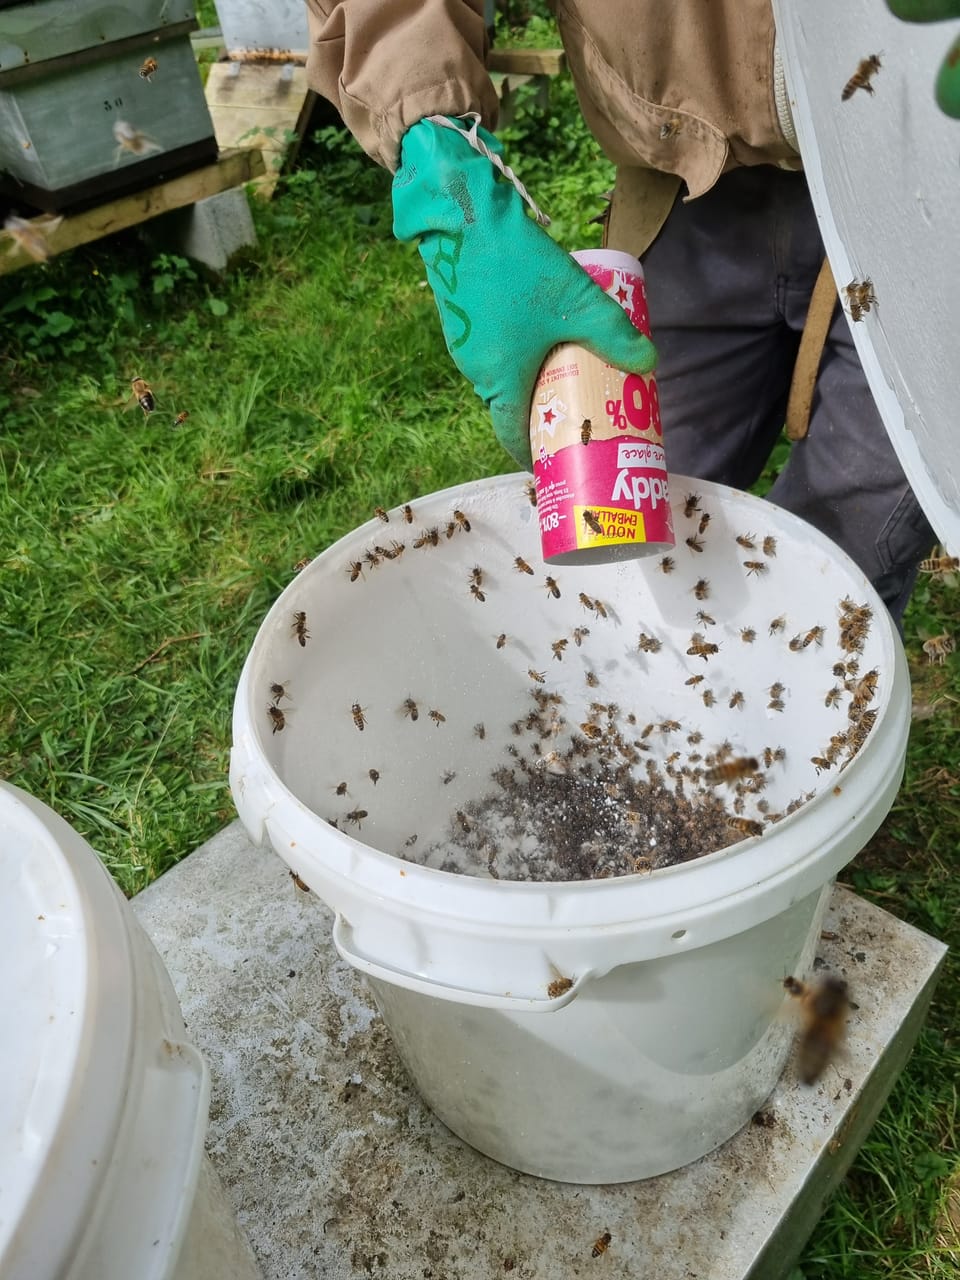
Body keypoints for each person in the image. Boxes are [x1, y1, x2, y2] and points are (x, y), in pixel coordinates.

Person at [302, 0, 953, 620]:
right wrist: (435, 151)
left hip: (928, 196)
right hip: (680, 178)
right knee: (623, 514)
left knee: (843, 563)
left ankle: (792, 718)